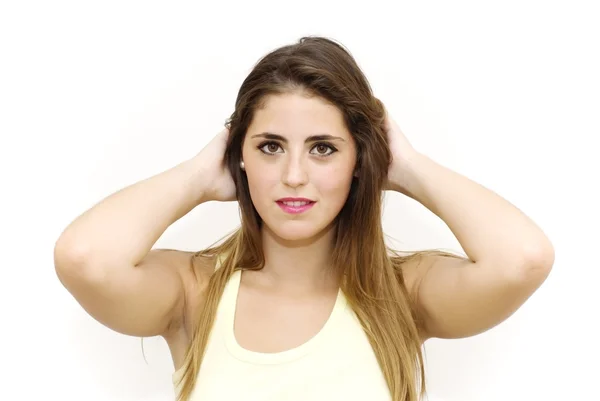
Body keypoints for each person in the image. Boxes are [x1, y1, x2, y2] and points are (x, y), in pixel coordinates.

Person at [53, 36, 555, 401]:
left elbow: (523, 259)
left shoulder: (402, 295)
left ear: (358, 160)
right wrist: (198, 176)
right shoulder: (195, 292)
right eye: (270, 146)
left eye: (323, 149)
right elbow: (84, 258)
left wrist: (406, 168)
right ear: (239, 154)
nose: (294, 176)